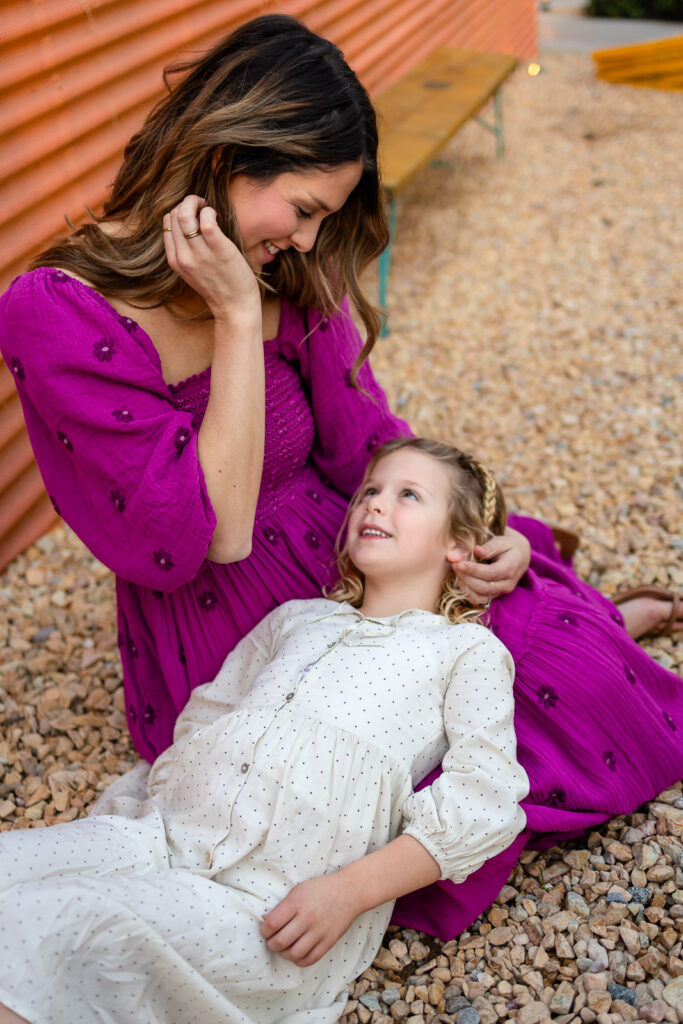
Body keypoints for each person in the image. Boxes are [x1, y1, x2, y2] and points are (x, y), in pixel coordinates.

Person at [0, 13, 680, 942]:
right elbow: (200, 537)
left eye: (326, 216)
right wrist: (238, 318)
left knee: (562, 648)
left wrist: (477, 533)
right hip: (232, 624)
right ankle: (608, 621)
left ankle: (602, 618)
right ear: (230, 151)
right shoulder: (58, 313)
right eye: (306, 207)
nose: (311, 241)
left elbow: (372, 444)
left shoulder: (288, 271)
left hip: (356, 551)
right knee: (394, 780)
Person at [0, 439, 530, 1024]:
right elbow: (209, 711)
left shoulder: (464, 650)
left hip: (268, 900)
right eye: (371, 492)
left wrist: (350, 892)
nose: (376, 506)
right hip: (162, 835)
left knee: (60, 923)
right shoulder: (296, 618)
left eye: (408, 496)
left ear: (459, 544)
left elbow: (486, 797)